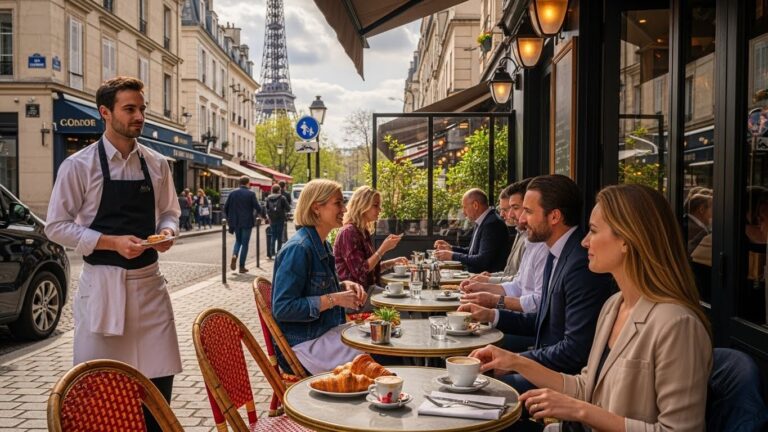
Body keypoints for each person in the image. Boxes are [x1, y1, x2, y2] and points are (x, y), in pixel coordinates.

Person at [470, 184, 712, 431]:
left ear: (627, 241)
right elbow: (587, 386)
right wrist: (514, 361)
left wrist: (579, 410)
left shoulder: (677, 324)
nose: (584, 241)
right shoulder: (613, 306)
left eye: (594, 231)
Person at [45, 76, 181, 432]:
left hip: (150, 289)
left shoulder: (157, 163)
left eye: (142, 109)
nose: (139, 116)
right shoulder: (78, 166)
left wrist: (168, 231)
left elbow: (170, 211)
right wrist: (112, 242)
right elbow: (56, 226)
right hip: (103, 288)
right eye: (130, 109)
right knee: (100, 395)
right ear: (105, 113)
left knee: (157, 394)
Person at [458, 175, 614, 393]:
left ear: (554, 216)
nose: (521, 220)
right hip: (544, 363)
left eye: (528, 212)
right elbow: (542, 322)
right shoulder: (556, 253)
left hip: (563, 380)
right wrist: (492, 315)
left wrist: (516, 361)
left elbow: (574, 352)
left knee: (478, 388)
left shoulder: (579, 264)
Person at [272, 179, 369, 375]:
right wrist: (334, 299)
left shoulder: (320, 244)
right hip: (303, 348)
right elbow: (283, 308)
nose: (344, 208)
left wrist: (344, 286)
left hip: (323, 335)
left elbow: (315, 287)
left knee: (380, 337)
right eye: (338, 203)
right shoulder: (299, 249)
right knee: (379, 349)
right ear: (317, 208)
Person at [333, 186, 408, 288]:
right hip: (356, 298)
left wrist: (392, 263)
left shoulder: (363, 231)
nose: (380, 210)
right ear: (362, 206)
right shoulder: (348, 232)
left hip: (369, 291)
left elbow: (370, 270)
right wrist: (382, 249)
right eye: (376, 205)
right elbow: (360, 272)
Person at [434, 188, 512, 273]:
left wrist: (452, 256)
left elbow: (482, 261)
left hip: (486, 282)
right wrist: (451, 249)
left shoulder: (491, 224)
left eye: (465, 207)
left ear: (475, 205)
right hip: (477, 279)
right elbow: (473, 252)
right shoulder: (483, 220)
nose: (463, 212)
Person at [224, 176, 264, 273]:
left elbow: (226, 207)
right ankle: (241, 266)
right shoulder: (251, 193)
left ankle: (235, 254)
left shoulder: (233, 193)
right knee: (245, 244)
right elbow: (257, 207)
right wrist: (262, 215)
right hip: (247, 221)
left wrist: (230, 218)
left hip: (236, 222)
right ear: (248, 183)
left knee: (238, 241)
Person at [265, 183, 290, 257]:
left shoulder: (268, 198)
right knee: (279, 236)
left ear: (272, 190)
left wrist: (268, 217)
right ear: (279, 190)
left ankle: (271, 251)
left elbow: (266, 208)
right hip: (280, 218)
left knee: (273, 235)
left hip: (272, 219)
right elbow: (288, 208)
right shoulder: (282, 198)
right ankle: (278, 252)